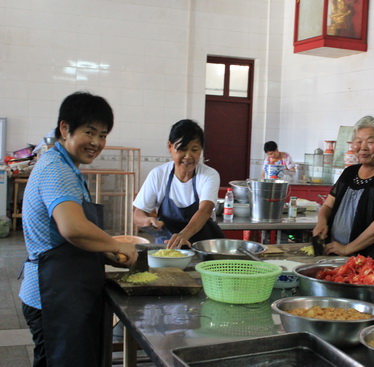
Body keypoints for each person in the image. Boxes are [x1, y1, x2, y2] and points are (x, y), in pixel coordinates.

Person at [19, 91, 138, 367]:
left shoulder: (67, 166)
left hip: (65, 288)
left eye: (103, 135)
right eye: (90, 132)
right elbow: (72, 227)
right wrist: (116, 245)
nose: (97, 142)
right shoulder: (55, 169)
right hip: (51, 296)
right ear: (65, 128)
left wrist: (103, 253)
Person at [313, 116, 374, 263]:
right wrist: (321, 222)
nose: (363, 147)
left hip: (371, 264)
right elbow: (328, 205)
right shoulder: (349, 173)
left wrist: (347, 249)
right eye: (358, 141)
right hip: (336, 257)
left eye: (370, 142)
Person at [133, 119, 225, 249]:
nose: (188, 156)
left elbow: (205, 210)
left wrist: (183, 235)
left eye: (194, 149)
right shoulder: (158, 175)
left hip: (203, 248)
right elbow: (138, 213)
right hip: (168, 247)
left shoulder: (209, 175)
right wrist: (146, 220)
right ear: (170, 147)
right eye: (182, 149)